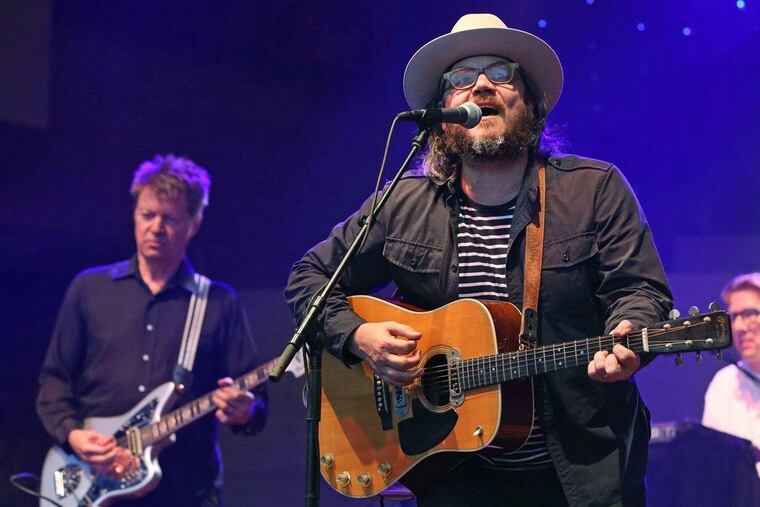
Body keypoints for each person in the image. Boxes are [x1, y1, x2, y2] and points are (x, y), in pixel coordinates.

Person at [285, 13, 672, 507]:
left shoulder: (594, 191)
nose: (482, 85)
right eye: (461, 78)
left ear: (529, 102)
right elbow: (309, 277)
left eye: (501, 73)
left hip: (579, 475)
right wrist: (359, 336)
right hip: (454, 477)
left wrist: (631, 333)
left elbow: (640, 291)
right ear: (442, 114)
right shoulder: (403, 205)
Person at [36, 154, 268, 506]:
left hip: (187, 490)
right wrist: (73, 434)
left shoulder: (218, 302)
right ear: (134, 214)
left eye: (170, 219)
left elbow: (256, 401)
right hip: (93, 478)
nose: (156, 227)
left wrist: (245, 410)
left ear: (194, 223)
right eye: (147, 215)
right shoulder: (89, 289)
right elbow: (54, 380)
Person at [702, 272, 760, 476]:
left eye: (750, 313)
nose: (739, 327)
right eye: (735, 317)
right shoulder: (724, 384)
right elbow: (713, 463)